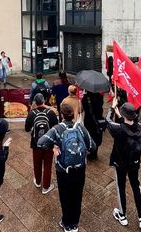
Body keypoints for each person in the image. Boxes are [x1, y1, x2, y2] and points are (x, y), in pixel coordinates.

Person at [37, 103, 96, 232]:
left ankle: (66, 223)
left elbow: (40, 143)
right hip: (80, 169)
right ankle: (75, 223)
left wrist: (53, 147)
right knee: (77, 195)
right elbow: (93, 146)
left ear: (61, 114)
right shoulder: (80, 128)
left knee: (65, 196)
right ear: (73, 114)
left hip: (63, 170)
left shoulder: (57, 129)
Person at [106, 98, 141, 230]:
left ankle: (122, 215)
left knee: (121, 187)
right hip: (134, 163)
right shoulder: (140, 127)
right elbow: (128, 125)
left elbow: (108, 121)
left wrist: (112, 108)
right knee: (136, 187)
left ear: (124, 115)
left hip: (120, 163)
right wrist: (119, 113)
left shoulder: (117, 129)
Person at [25, 93, 58, 193]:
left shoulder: (32, 113)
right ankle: (46, 187)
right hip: (48, 143)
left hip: (36, 143)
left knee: (37, 163)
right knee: (48, 165)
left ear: (35, 102)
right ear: (43, 101)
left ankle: (38, 182)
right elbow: (56, 128)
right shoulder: (51, 113)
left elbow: (26, 129)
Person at [82, 90, 104, 160]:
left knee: (89, 135)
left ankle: (90, 151)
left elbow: (84, 108)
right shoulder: (100, 97)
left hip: (89, 120)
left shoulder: (85, 98)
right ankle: (94, 153)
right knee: (96, 136)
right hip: (98, 119)